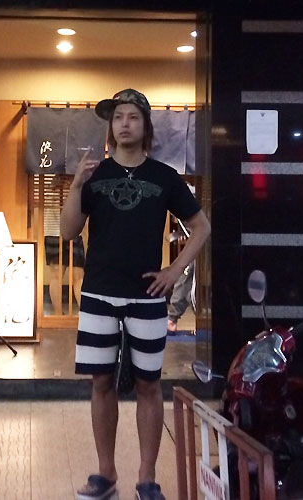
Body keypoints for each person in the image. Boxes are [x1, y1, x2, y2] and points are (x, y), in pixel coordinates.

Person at [61, 89, 211, 500]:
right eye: (118, 117)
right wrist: (75, 187)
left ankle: (147, 478)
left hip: (147, 295)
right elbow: (69, 231)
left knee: (149, 384)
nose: (124, 123)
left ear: (146, 126)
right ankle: (105, 473)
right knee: (100, 382)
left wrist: (175, 270)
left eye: (132, 116)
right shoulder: (94, 175)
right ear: (111, 128)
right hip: (98, 294)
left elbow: (202, 227)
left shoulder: (164, 176)